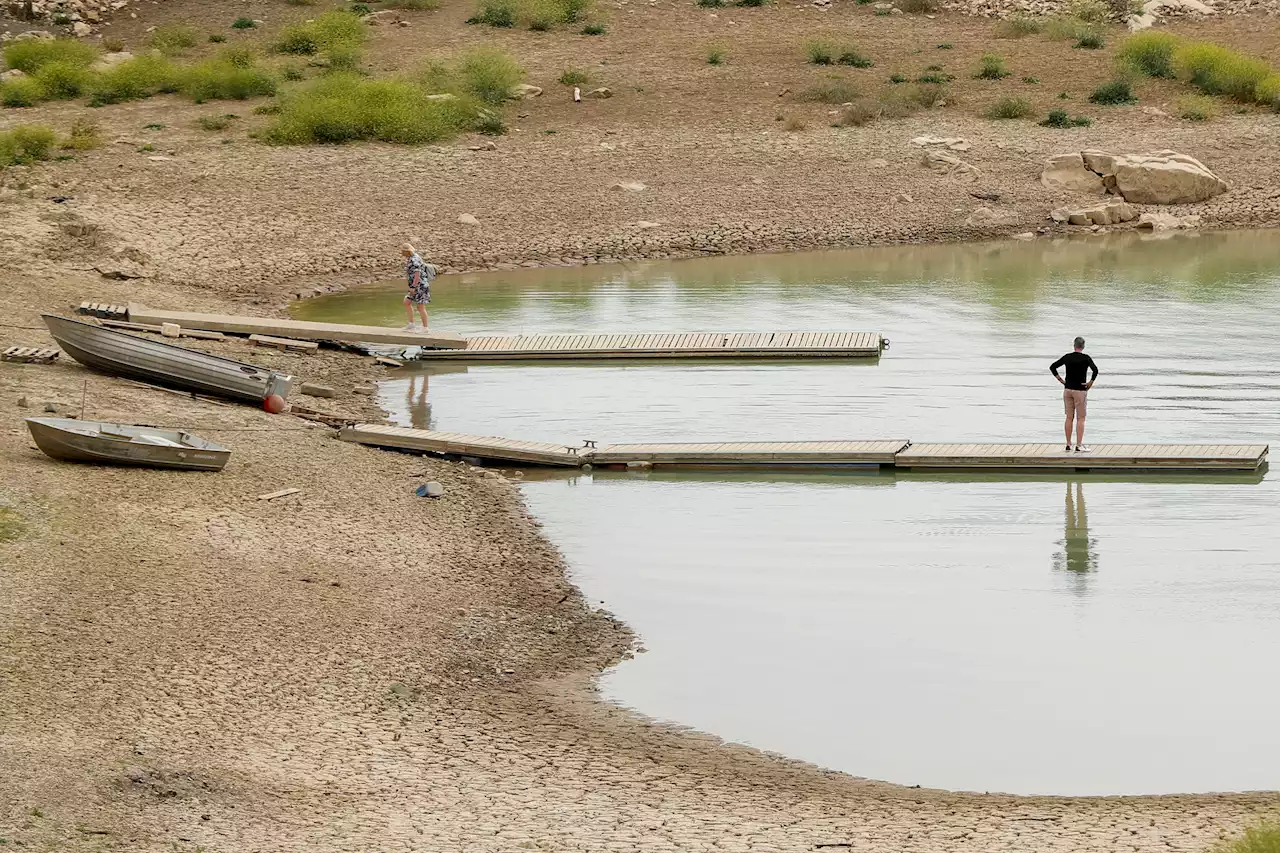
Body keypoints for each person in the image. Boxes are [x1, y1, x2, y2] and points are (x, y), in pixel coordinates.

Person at [1050, 336, 1098, 453]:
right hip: (1080, 390)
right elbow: (1095, 370)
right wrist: (1090, 383)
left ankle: (1068, 444)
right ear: (1083, 346)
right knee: (1081, 418)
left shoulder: (1067, 357)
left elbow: (1053, 367)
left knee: (1069, 417)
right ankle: (1079, 445)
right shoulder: (1086, 358)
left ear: (1074, 345)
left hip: (1068, 390)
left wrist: (1061, 381)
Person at [400, 243, 436, 331]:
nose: (401, 253)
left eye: (403, 251)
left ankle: (425, 328)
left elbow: (417, 274)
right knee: (407, 302)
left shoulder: (414, 259)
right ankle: (411, 324)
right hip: (415, 286)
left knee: (420, 307)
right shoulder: (411, 258)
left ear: (406, 251)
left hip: (420, 286)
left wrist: (413, 287)